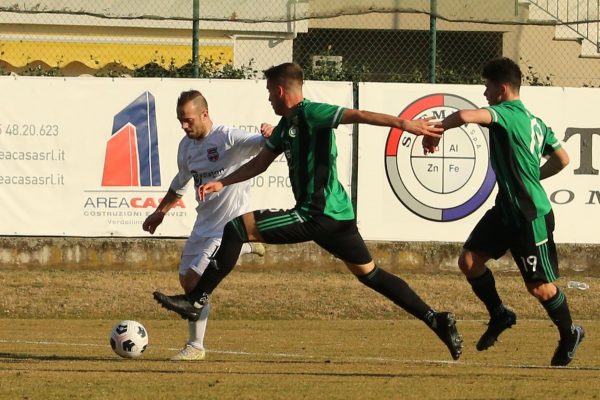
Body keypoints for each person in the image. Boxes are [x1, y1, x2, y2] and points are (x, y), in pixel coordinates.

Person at [153, 62, 464, 361]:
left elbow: (356, 114)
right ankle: (435, 319)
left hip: (316, 214)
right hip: (340, 218)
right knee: (372, 275)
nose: (268, 99)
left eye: (269, 92)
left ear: (280, 91)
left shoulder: (311, 112)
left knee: (236, 228)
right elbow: (260, 162)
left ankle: (196, 300)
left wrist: (404, 124)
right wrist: (223, 183)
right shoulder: (287, 125)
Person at [423, 57, 583, 366]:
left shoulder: (506, 114)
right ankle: (500, 314)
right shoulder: (536, 121)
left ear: (502, 88)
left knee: (539, 288)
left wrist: (437, 129)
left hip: (529, 215)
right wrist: (535, 175)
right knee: (469, 261)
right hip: (506, 209)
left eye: (487, 87)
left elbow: (467, 115)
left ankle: (570, 332)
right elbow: (563, 158)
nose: (484, 93)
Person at [144, 89, 269, 361]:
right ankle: (244, 248)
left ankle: (195, 347)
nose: (183, 125)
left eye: (188, 120)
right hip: (203, 225)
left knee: (194, 280)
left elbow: (263, 143)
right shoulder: (185, 147)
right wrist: (160, 212)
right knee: (187, 283)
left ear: (204, 114)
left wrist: (269, 132)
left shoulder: (227, 137)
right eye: (180, 120)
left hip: (227, 225)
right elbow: (180, 184)